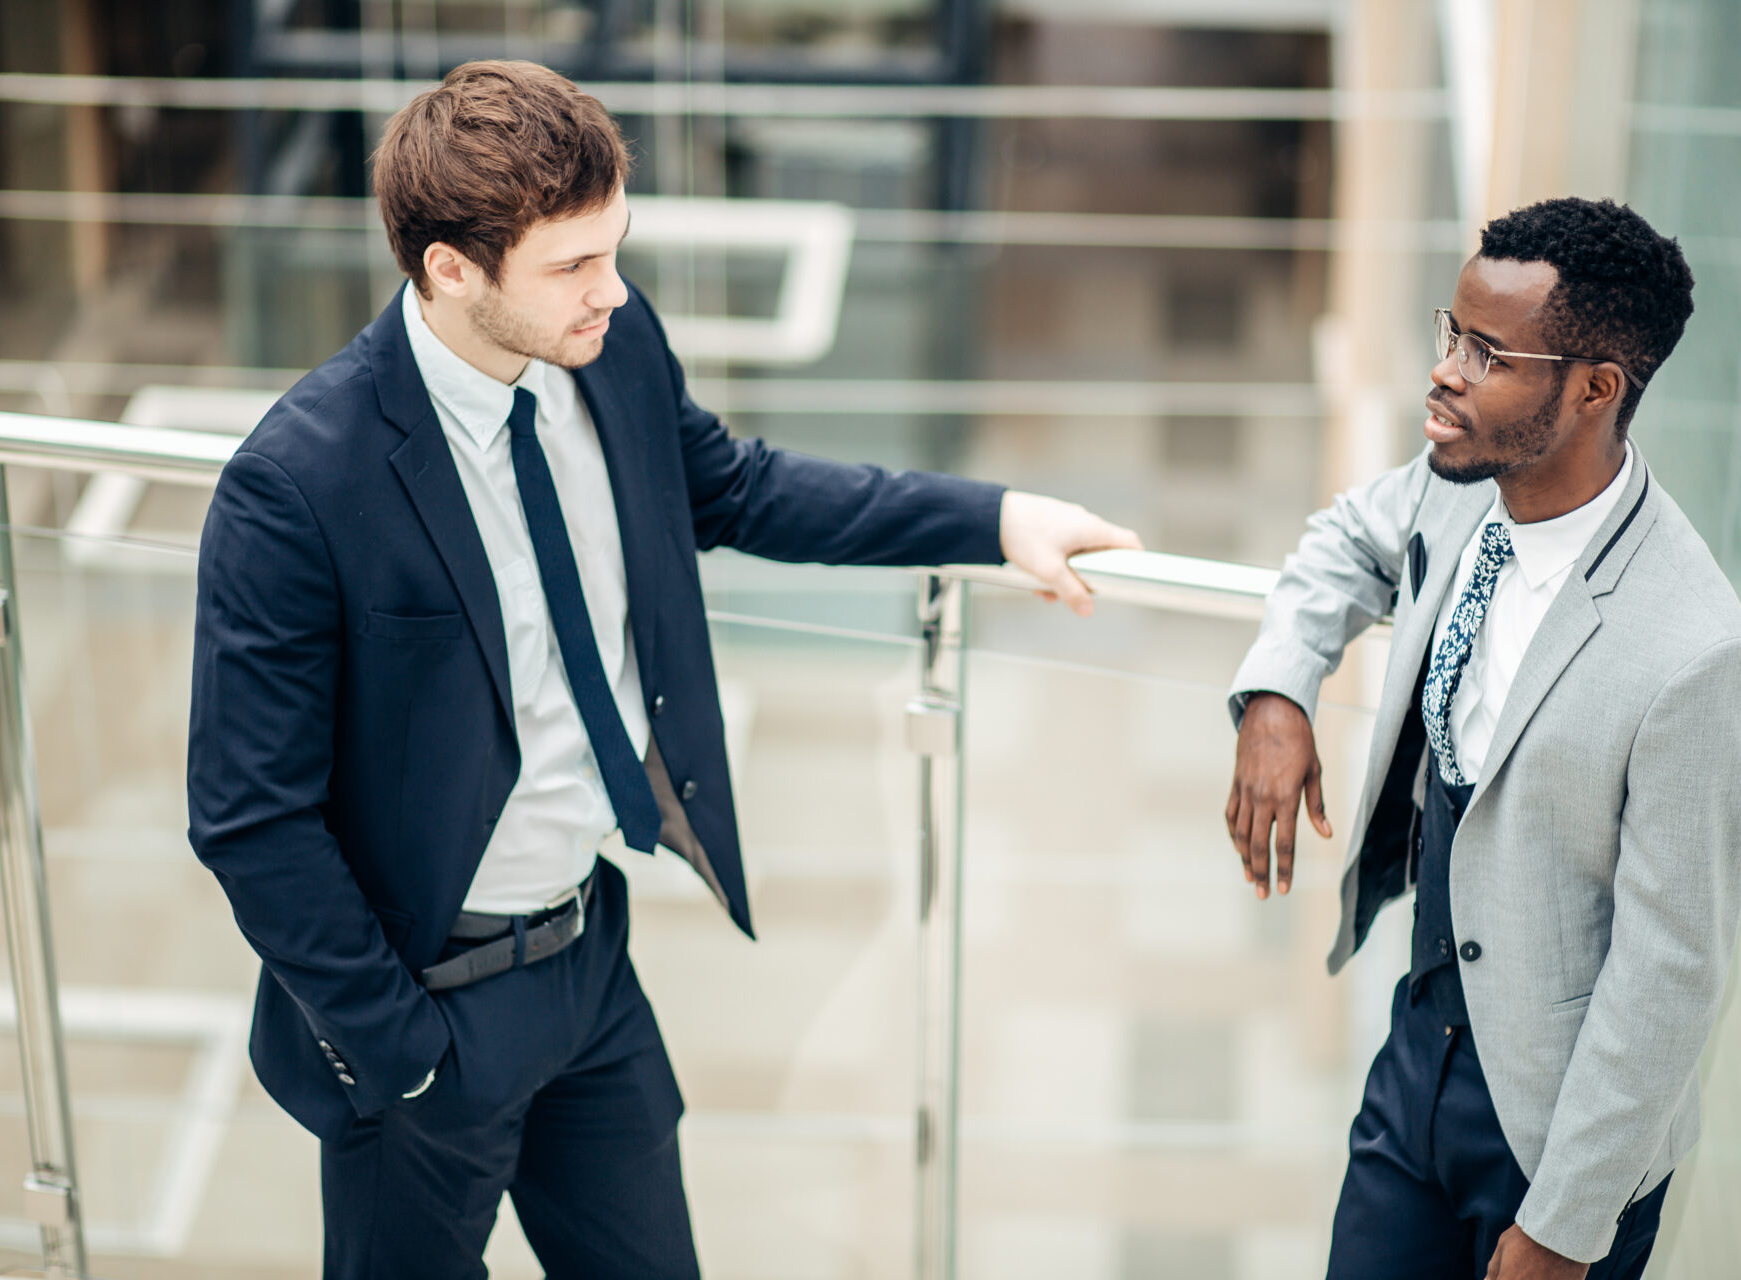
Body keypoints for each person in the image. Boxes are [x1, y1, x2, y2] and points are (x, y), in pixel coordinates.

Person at [187, 59, 1138, 1280]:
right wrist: (405, 1047)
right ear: (449, 269)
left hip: (589, 969)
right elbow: (250, 816)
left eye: (616, 248)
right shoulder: (297, 486)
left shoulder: (612, 348)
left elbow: (737, 486)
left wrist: (993, 516)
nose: (613, 291)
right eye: (574, 265)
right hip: (427, 1003)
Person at [1224, 197, 1741, 1279]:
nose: (1446, 372)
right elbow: (1345, 538)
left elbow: (1672, 967)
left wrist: (1566, 1222)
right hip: (1413, 1057)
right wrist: (1279, 694)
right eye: (1451, 333)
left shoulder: (1697, 654)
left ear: (1595, 389)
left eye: (1488, 353)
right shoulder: (1457, 485)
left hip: (1560, 1133)